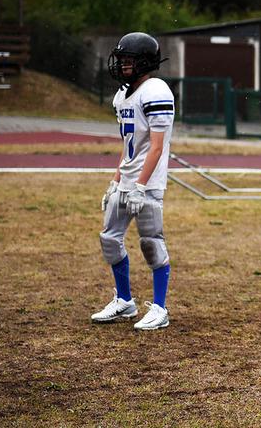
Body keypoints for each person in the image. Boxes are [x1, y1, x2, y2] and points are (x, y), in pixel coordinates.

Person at [92, 32, 174, 331]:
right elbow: (129, 146)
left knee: (151, 243)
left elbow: (156, 146)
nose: (123, 66)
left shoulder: (156, 90)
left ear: (145, 62)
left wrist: (140, 185)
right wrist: (116, 181)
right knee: (110, 239)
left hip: (148, 184)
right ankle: (125, 301)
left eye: (129, 61)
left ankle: (160, 308)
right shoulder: (122, 95)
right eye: (122, 60)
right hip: (128, 180)